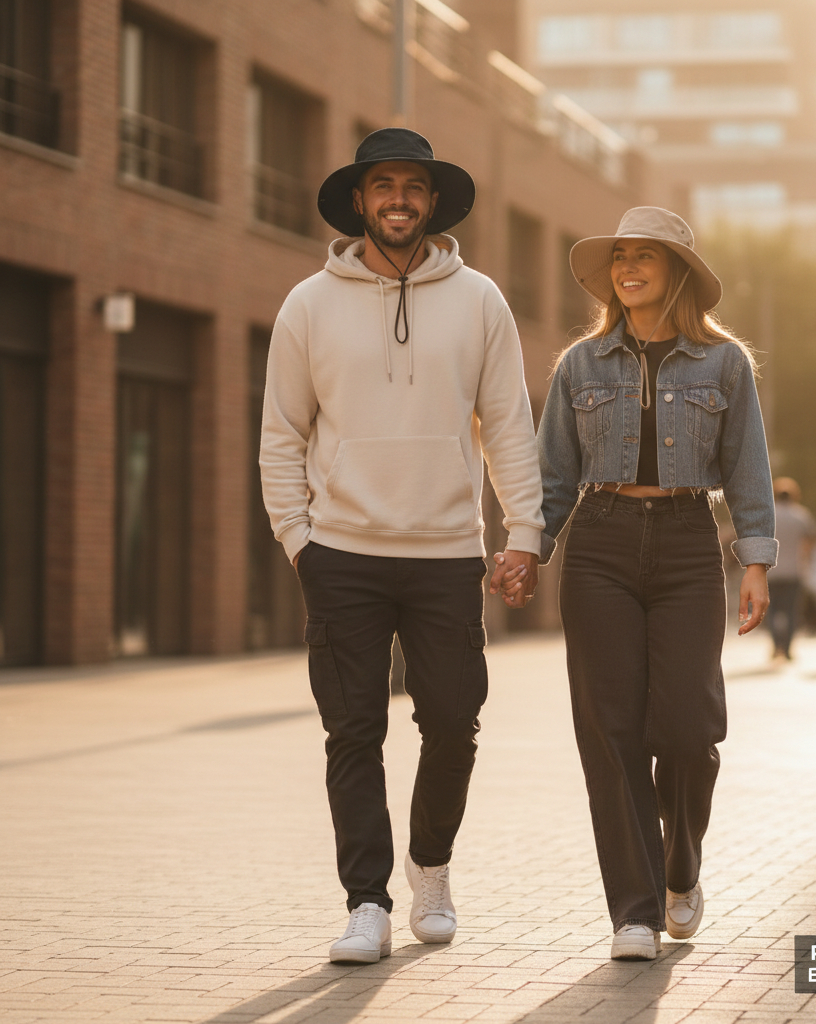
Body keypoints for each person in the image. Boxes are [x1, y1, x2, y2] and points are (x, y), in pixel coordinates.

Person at [260, 128, 544, 964]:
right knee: (352, 732)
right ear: (359, 199)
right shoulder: (307, 303)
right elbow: (282, 434)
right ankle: (366, 902)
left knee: (454, 723)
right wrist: (298, 541)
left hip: (447, 551)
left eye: (412, 187)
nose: (397, 200)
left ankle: (432, 867)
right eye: (383, 185)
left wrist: (522, 533)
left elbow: (509, 429)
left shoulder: (481, 300)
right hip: (339, 552)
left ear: (432, 201)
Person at [495, 207, 776, 960]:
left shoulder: (724, 364)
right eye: (620, 255)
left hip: (688, 542)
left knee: (689, 730)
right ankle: (634, 911)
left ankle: (681, 863)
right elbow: (553, 474)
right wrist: (528, 549)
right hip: (600, 545)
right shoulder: (580, 365)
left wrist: (756, 561)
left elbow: (749, 466)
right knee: (609, 733)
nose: (628, 267)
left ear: (676, 270)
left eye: (645, 255)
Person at [765, 478, 816, 660]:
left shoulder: (769, 514)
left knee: (771, 611)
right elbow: (810, 542)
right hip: (794, 571)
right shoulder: (801, 515)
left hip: (771, 571)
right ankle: (787, 648)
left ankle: (776, 645)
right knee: (791, 612)